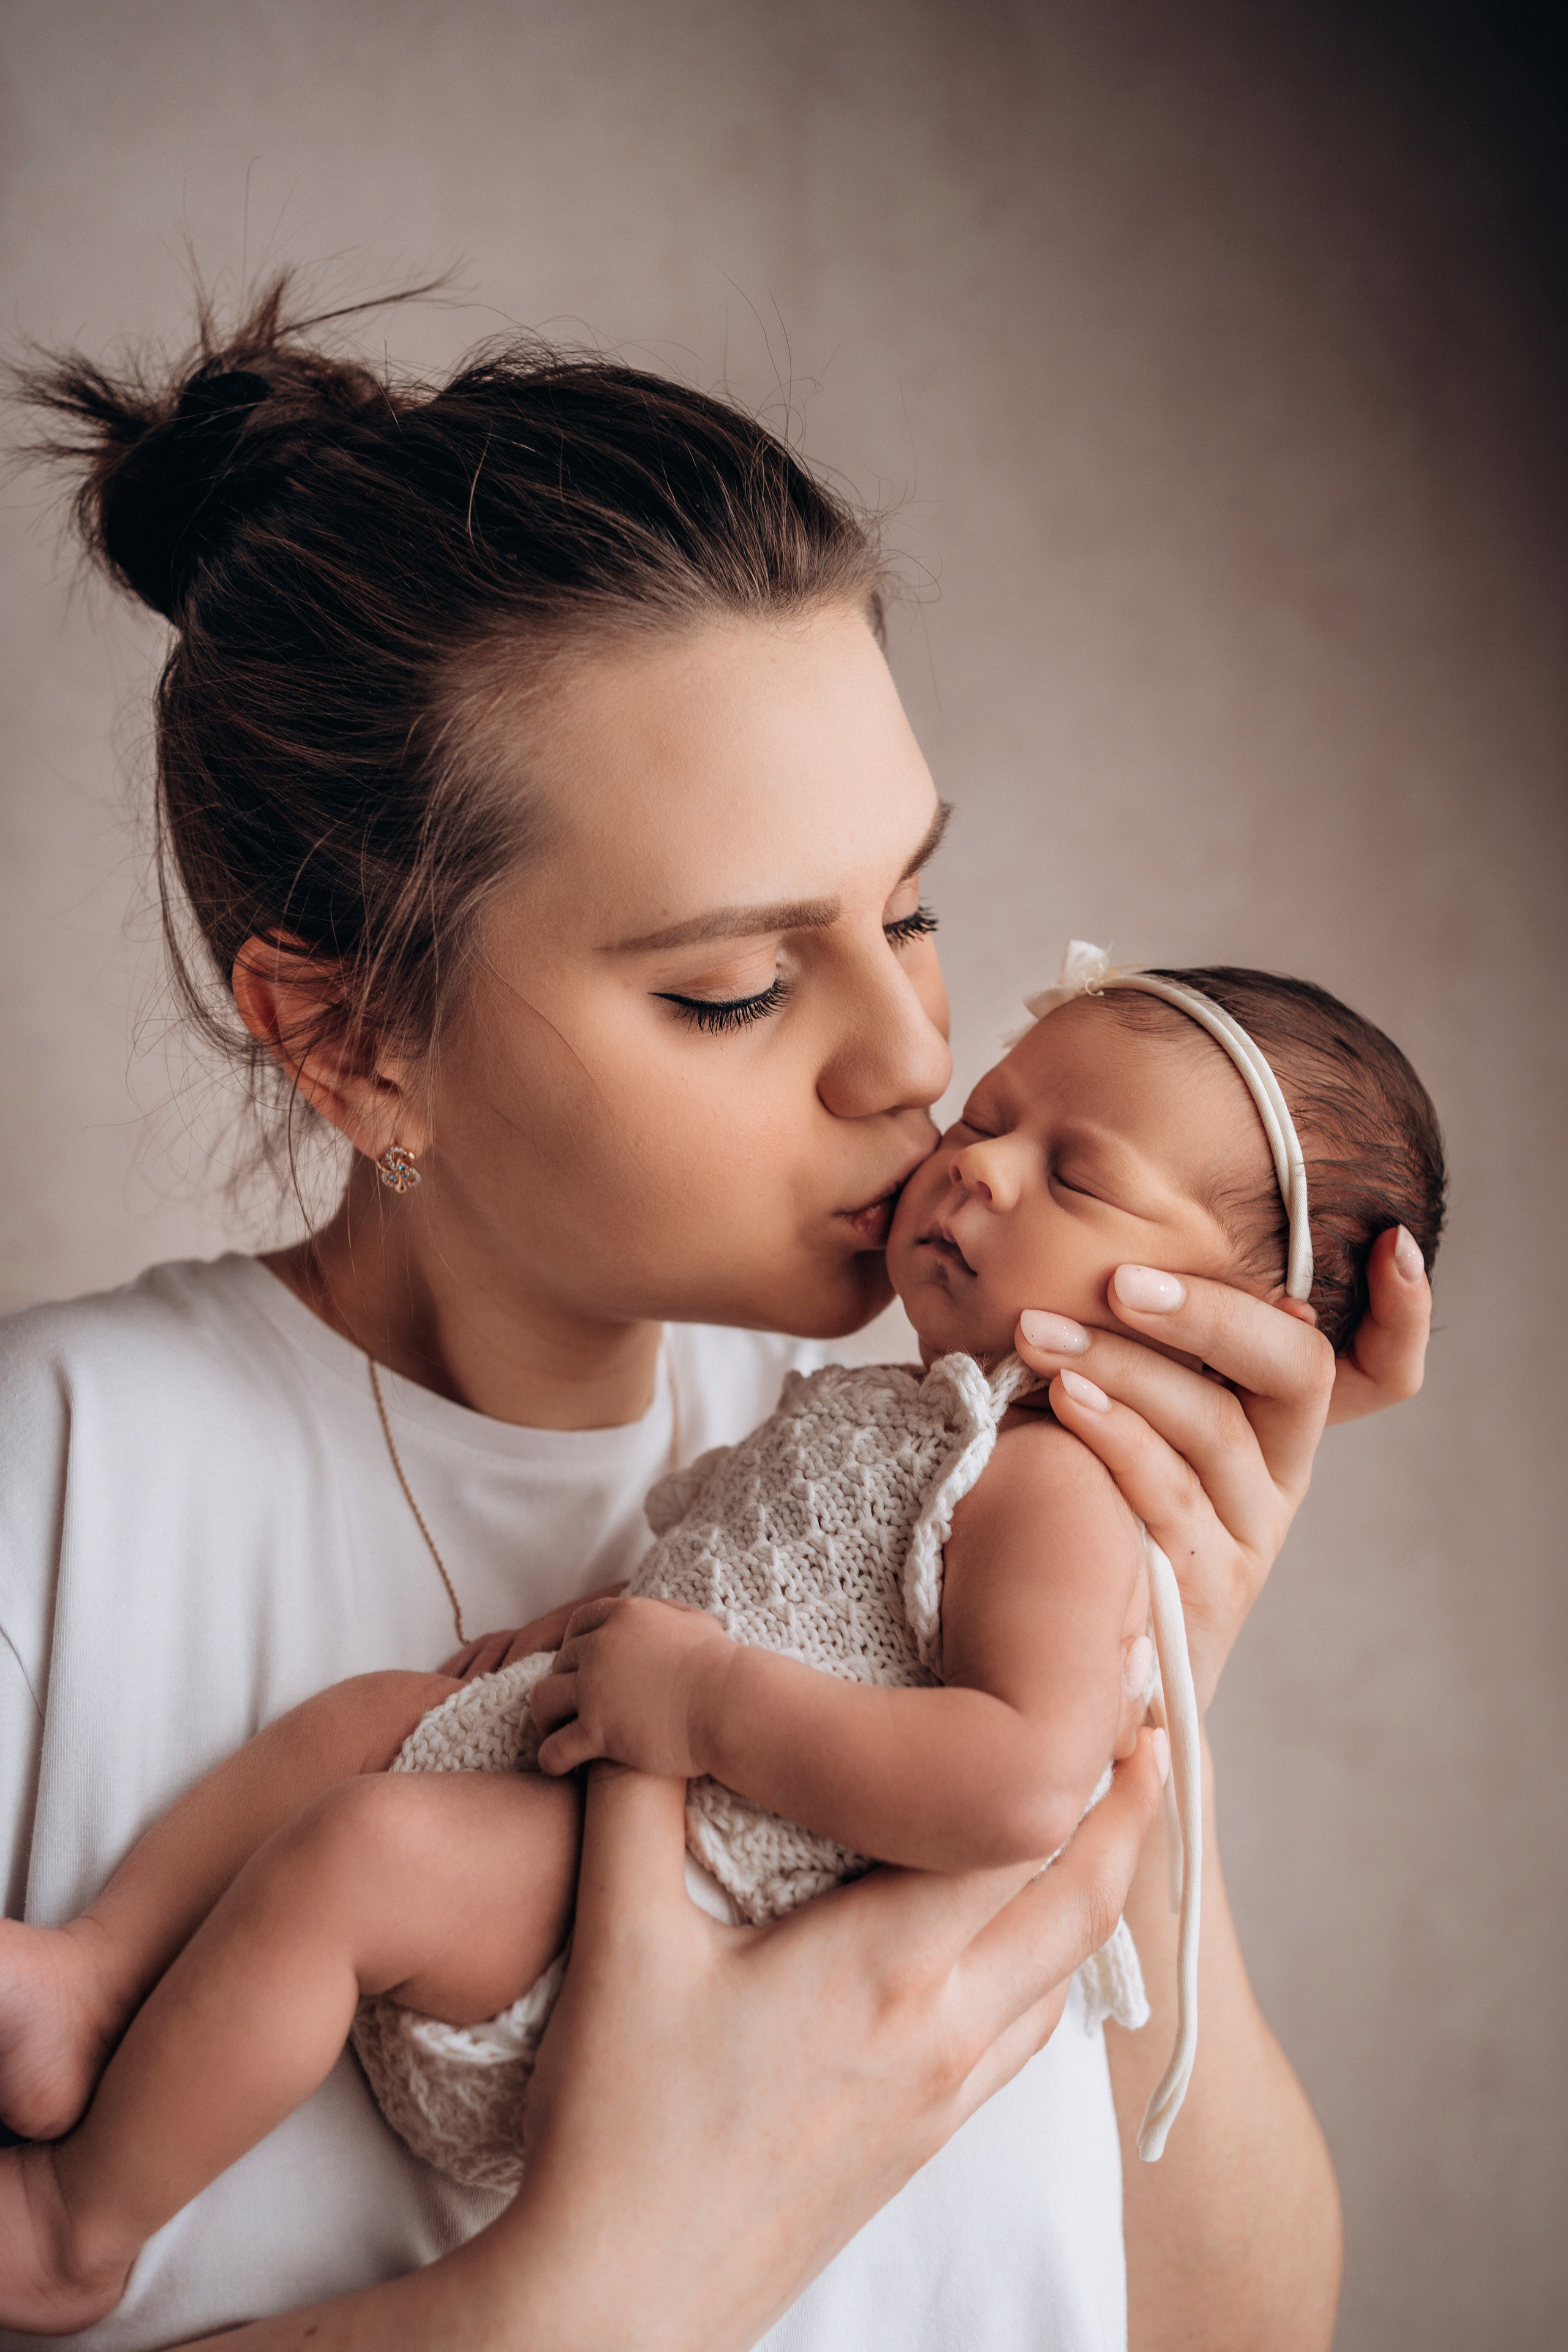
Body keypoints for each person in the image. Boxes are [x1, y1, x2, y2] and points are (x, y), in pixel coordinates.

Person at [0, 281, 1433, 2352]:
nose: (909, 1052)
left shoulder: (937, 1482)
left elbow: (1236, 2331)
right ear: (351, 1041)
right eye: (734, 990)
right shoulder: (56, 1513)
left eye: (915, 909)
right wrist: (583, 2301)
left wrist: (1150, 1729)